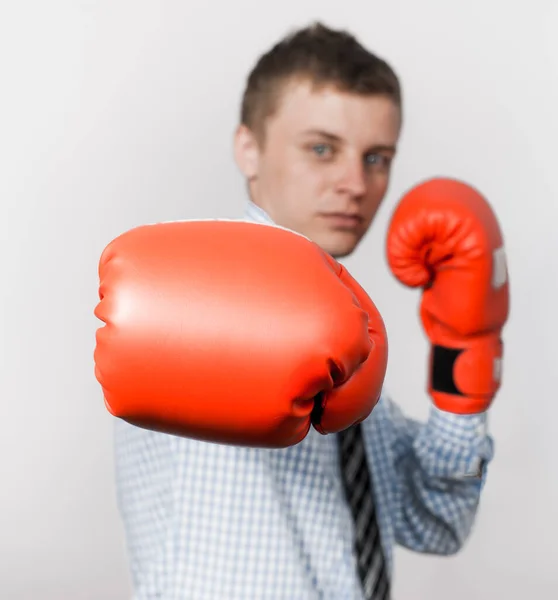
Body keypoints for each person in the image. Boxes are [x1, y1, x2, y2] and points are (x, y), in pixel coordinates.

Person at [112, 22, 501, 599]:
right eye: (322, 149)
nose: (355, 184)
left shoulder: (345, 337)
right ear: (249, 148)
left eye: (377, 158)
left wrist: (463, 356)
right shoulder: (196, 294)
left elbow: (437, 524)